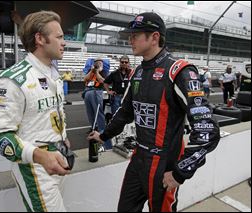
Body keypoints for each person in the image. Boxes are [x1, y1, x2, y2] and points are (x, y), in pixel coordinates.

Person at [88, 12, 220, 212]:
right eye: (130, 36)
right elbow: (125, 113)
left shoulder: (179, 71)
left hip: (164, 163)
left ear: (155, 37)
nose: (130, 40)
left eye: (136, 35)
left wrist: (180, 171)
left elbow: (207, 130)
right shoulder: (138, 72)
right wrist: (103, 135)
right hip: (138, 157)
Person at [0, 11, 71, 211]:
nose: (64, 42)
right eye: (59, 36)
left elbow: (51, 112)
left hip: (59, 158)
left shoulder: (53, 73)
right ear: (40, 39)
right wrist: (41, 156)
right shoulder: (11, 81)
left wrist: (62, 137)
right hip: (35, 168)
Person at [83, 57, 112, 150]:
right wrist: (92, 71)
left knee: (98, 114)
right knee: (90, 113)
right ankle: (93, 129)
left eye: (99, 62)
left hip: (97, 92)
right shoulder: (91, 71)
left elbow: (102, 81)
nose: (97, 64)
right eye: (96, 62)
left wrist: (97, 72)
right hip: (88, 92)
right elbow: (85, 79)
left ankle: (102, 131)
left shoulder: (104, 72)